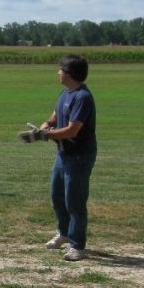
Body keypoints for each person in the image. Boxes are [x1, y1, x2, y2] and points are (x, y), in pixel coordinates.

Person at [28, 54, 97, 262]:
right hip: (63, 153)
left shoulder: (82, 97)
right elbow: (55, 117)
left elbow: (72, 130)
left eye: (60, 69)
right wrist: (44, 126)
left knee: (74, 201)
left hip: (79, 156)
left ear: (69, 73)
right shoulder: (65, 93)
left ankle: (78, 246)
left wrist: (45, 136)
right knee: (57, 195)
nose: (57, 72)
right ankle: (64, 233)